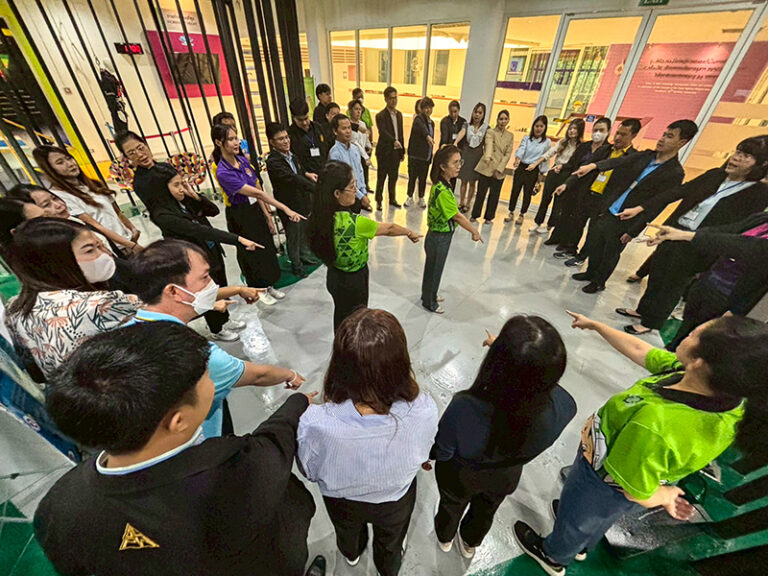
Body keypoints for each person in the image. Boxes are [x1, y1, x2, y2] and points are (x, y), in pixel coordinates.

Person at [34, 321, 324, 576]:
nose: (212, 381)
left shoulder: (57, 508)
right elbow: (273, 443)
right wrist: (297, 404)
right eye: (207, 377)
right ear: (178, 421)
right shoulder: (234, 471)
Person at [514, 311, 768, 576]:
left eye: (694, 334)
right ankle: (581, 541)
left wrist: (665, 496)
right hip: (623, 475)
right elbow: (640, 350)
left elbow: (633, 491)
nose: (688, 332)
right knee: (595, 518)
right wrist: (597, 325)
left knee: (580, 513)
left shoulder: (656, 425)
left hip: (602, 481)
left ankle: (554, 555)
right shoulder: (708, 387)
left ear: (699, 362)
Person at [297, 308, 438, 576]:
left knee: (347, 533)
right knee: (391, 540)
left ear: (340, 365)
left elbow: (309, 470)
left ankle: (352, 554)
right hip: (395, 498)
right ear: (400, 362)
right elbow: (425, 453)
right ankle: (388, 567)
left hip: (342, 501)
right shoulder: (423, 410)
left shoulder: (315, 422)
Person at [127, 239, 306, 438]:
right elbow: (258, 375)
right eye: (205, 277)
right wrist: (290, 375)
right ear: (173, 291)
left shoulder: (133, 324)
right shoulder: (194, 355)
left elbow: (196, 295)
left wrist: (237, 289)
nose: (211, 283)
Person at [430, 316, 575, 558]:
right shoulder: (562, 409)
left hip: (460, 474)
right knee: (486, 510)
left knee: (451, 505)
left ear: (495, 364)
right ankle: (470, 543)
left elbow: (444, 449)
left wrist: (507, 355)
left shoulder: (465, 406)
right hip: (505, 475)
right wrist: (522, 362)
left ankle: (445, 537)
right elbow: (538, 381)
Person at [615, 137, 768, 334]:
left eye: (746, 156)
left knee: (672, 284)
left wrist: (698, 237)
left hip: (699, 244)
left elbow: (737, 227)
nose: (736, 158)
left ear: (761, 164)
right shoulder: (715, 175)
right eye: (738, 152)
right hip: (674, 232)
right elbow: (679, 191)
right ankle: (642, 310)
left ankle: (651, 322)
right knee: (658, 274)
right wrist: (641, 208)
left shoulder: (758, 193)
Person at [571, 119, 698, 293]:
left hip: (628, 218)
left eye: (669, 136)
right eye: (663, 134)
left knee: (610, 252)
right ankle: (590, 272)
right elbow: (619, 162)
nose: (662, 139)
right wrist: (594, 166)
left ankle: (599, 282)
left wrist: (634, 231)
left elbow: (657, 205)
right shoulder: (646, 156)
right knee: (596, 244)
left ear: (681, 142)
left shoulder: (674, 173)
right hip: (610, 208)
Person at [5, 218, 140, 380]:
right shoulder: (102, 305)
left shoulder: (15, 308)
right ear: (56, 263)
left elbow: (36, 373)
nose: (105, 254)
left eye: (100, 246)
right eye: (90, 250)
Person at [146, 168, 263, 340]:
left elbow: (213, 210)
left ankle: (225, 319)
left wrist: (195, 196)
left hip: (210, 250)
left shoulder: (184, 201)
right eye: (176, 185)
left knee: (220, 284)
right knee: (207, 291)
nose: (181, 189)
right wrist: (238, 239)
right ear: (163, 189)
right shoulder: (163, 214)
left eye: (182, 183)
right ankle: (216, 328)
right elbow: (199, 230)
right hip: (194, 258)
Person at [308, 161, 420, 330]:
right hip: (354, 281)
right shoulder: (355, 223)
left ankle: (340, 340)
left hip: (334, 276)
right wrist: (409, 232)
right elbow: (389, 228)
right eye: (352, 187)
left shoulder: (319, 216)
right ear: (337, 193)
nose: (356, 190)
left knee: (341, 313)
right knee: (356, 320)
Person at [645, 215, 768, 351]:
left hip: (728, 297)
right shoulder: (762, 219)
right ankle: (673, 351)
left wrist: (686, 235)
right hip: (709, 281)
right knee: (685, 330)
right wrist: (682, 234)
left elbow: (740, 245)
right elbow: (726, 231)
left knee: (701, 340)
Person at [212, 123, 303, 304]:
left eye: (236, 138)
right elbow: (256, 193)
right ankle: (258, 290)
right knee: (251, 254)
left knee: (266, 248)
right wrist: (285, 208)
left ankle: (270, 286)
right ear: (218, 142)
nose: (236, 142)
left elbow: (257, 187)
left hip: (255, 210)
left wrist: (267, 215)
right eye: (230, 139)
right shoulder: (223, 172)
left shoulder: (243, 160)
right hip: (240, 215)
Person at [558, 118, 641, 266]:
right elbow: (585, 168)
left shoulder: (632, 158)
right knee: (577, 223)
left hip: (605, 200)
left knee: (593, 232)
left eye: (623, 134)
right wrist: (566, 184)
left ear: (633, 135)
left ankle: (582, 257)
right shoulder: (605, 150)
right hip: (589, 193)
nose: (617, 137)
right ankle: (571, 249)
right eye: (617, 133)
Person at [33, 145, 142, 255]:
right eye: (60, 162)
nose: (70, 164)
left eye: (69, 158)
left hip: (128, 242)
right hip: (110, 250)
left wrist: (133, 230)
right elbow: (94, 226)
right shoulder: (60, 196)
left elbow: (117, 212)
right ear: (50, 170)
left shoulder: (93, 184)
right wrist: (130, 245)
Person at [422, 145, 483, 313]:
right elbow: (457, 216)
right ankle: (430, 302)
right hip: (439, 237)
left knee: (432, 269)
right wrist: (474, 231)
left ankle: (429, 295)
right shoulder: (442, 190)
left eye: (460, 162)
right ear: (442, 166)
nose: (459, 166)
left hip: (438, 236)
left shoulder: (443, 185)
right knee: (435, 270)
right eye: (455, 163)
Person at [544, 117, 614, 252]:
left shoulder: (607, 150)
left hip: (589, 189)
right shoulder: (584, 147)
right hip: (573, 184)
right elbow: (572, 164)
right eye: (595, 130)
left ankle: (569, 245)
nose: (597, 133)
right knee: (564, 212)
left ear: (608, 131)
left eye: (601, 130)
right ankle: (557, 237)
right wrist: (562, 168)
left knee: (578, 219)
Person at [265, 122, 320, 278]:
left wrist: (307, 175)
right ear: (272, 142)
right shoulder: (273, 162)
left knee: (302, 232)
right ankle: (296, 265)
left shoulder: (292, 156)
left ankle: (304, 256)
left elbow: (299, 173)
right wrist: (316, 189)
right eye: (281, 139)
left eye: (286, 137)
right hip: (288, 205)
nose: (286, 141)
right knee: (293, 236)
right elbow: (293, 178)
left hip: (302, 201)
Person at [529, 118, 585, 234]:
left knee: (558, 202)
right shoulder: (562, 142)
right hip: (554, 171)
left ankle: (549, 226)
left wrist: (563, 167)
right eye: (570, 128)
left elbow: (576, 164)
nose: (571, 131)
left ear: (580, 130)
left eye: (575, 129)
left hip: (566, 174)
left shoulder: (581, 147)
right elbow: (550, 153)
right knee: (545, 199)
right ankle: (537, 222)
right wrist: (536, 163)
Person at [504, 115, 551, 226]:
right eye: (536, 126)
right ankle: (511, 212)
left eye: (541, 126)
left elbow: (545, 158)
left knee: (527, 193)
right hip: (521, 167)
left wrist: (540, 178)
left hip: (533, 170)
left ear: (545, 127)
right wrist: (517, 159)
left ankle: (522, 214)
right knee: (515, 191)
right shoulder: (527, 138)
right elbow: (521, 149)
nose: (538, 128)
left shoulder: (546, 142)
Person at [115, 131, 179, 213]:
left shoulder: (166, 166)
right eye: (131, 153)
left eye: (140, 148)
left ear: (146, 145)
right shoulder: (140, 184)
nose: (139, 154)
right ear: (127, 158)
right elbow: (161, 214)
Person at [471, 110, 514, 223]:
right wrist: (488, 157)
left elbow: (508, 153)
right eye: (501, 119)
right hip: (487, 166)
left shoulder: (510, 136)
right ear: (497, 120)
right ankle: (475, 215)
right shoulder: (490, 132)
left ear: (508, 120)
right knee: (480, 194)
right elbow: (489, 145)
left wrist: (499, 168)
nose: (503, 121)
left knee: (494, 196)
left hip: (499, 170)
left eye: (505, 119)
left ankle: (489, 218)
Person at [327, 114, 373, 212]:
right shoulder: (335, 153)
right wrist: (361, 196)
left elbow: (360, 171)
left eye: (349, 128)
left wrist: (364, 192)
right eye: (344, 128)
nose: (348, 131)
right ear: (335, 131)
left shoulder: (355, 149)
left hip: (358, 196)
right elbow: (343, 181)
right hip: (345, 199)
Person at [375, 86, 405, 209]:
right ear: (386, 99)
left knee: (393, 177)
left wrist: (402, 151)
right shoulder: (380, 116)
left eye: (395, 98)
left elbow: (401, 133)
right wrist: (394, 141)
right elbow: (383, 132)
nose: (394, 101)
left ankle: (392, 199)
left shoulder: (399, 115)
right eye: (391, 98)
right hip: (384, 152)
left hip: (396, 152)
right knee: (381, 177)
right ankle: (379, 200)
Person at [406, 96, 436, 208]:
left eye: (430, 107)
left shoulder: (432, 123)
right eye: (426, 108)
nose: (428, 110)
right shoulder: (418, 119)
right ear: (422, 109)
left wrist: (430, 155)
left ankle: (421, 197)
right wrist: (427, 136)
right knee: (412, 178)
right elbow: (423, 129)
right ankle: (409, 197)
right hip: (415, 156)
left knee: (423, 178)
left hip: (425, 156)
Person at [458, 103, 487, 213]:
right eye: (475, 112)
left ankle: (468, 203)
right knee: (464, 180)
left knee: (472, 182)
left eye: (480, 113)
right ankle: (461, 202)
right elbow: (462, 133)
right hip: (466, 153)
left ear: (483, 115)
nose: (477, 115)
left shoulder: (486, 128)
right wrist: (455, 142)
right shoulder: (466, 125)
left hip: (477, 156)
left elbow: (487, 143)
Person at [288, 97, 329, 175]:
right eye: (300, 120)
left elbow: (326, 148)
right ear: (293, 118)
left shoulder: (318, 128)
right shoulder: (291, 135)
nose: (304, 123)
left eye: (306, 118)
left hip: (323, 172)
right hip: (306, 176)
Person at [348, 99, 374, 189]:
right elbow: (354, 142)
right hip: (354, 155)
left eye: (360, 109)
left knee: (364, 175)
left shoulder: (362, 124)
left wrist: (369, 147)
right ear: (350, 111)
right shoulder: (348, 125)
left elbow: (365, 138)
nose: (359, 112)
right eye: (356, 109)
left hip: (363, 154)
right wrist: (365, 157)